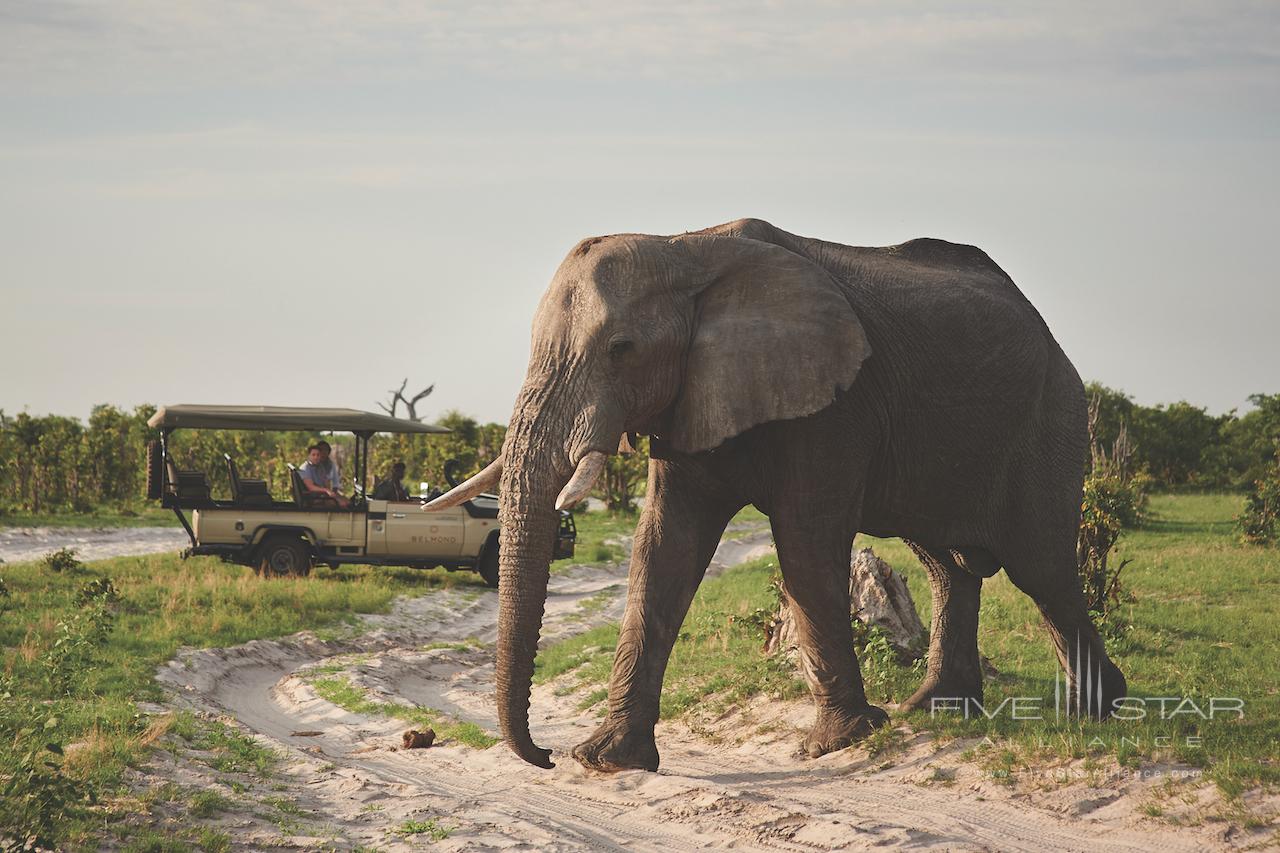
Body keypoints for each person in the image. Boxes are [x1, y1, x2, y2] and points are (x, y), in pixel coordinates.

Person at [299, 440, 349, 507]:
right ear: (309, 456)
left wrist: (334, 494)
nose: (316, 457)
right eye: (313, 455)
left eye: (318, 455)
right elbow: (311, 487)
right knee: (338, 503)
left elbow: (326, 483)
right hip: (313, 497)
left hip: (322, 494)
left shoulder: (320, 467)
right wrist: (326, 491)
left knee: (347, 501)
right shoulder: (305, 468)